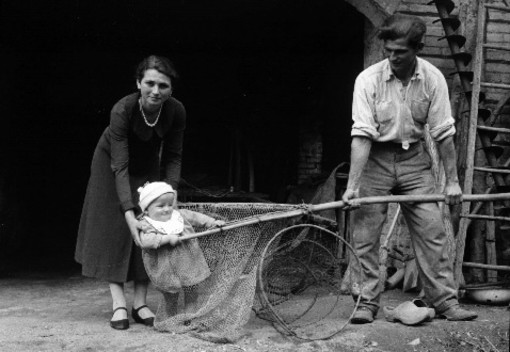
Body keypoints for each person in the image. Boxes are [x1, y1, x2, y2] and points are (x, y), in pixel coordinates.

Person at [342, 14, 478, 324]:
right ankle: (366, 302)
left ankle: (445, 301)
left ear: (417, 48)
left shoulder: (432, 79)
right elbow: (362, 135)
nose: (392, 57)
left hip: (415, 162)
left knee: (433, 231)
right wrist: (352, 186)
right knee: (365, 235)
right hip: (375, 159)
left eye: (400, 51)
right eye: (388, 50)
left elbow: (443, 134)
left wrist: (453, 183)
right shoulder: (368, 79)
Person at [75, 55, 186, 330]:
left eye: (163, 85)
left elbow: (173, 157)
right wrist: (127, 211)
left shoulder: (176, 111)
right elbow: (120, 165)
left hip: (148, 163)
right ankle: (119, 304)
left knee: (152, 223)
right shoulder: (122, 110)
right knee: (119, 227)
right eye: (149, 83)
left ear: (171, 89)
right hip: (111, 163)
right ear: (138, 83)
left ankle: (140, 303)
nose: (156, 91)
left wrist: (171, 199)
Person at [136, 181, 225, 315]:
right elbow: (146, 241)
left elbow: (197, 217)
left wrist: (212, 222)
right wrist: (166, 238)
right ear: (147, 209)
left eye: (170, 204)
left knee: (192, 288)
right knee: (170, 293)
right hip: (165, 266)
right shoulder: (147, 224)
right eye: (160, 206)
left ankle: (190, 312)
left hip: (188, 260)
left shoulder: (179, 215)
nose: (167, 209)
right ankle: (171, 316)